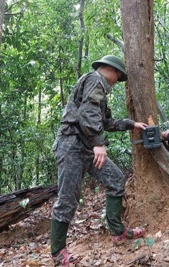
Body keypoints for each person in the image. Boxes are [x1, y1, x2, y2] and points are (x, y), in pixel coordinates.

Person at [50, 55, 147, 266]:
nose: (116, 81)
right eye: (118, 76)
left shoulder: (98, 89)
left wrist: (132, 124)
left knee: (115, 180)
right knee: (68, 197)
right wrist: (98, 144)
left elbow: (106, 121)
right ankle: (58, 251)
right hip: (71, 146)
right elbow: (87, 113)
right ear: (111, 70)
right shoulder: (95, 80)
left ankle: (118, 231)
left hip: (86, 147)